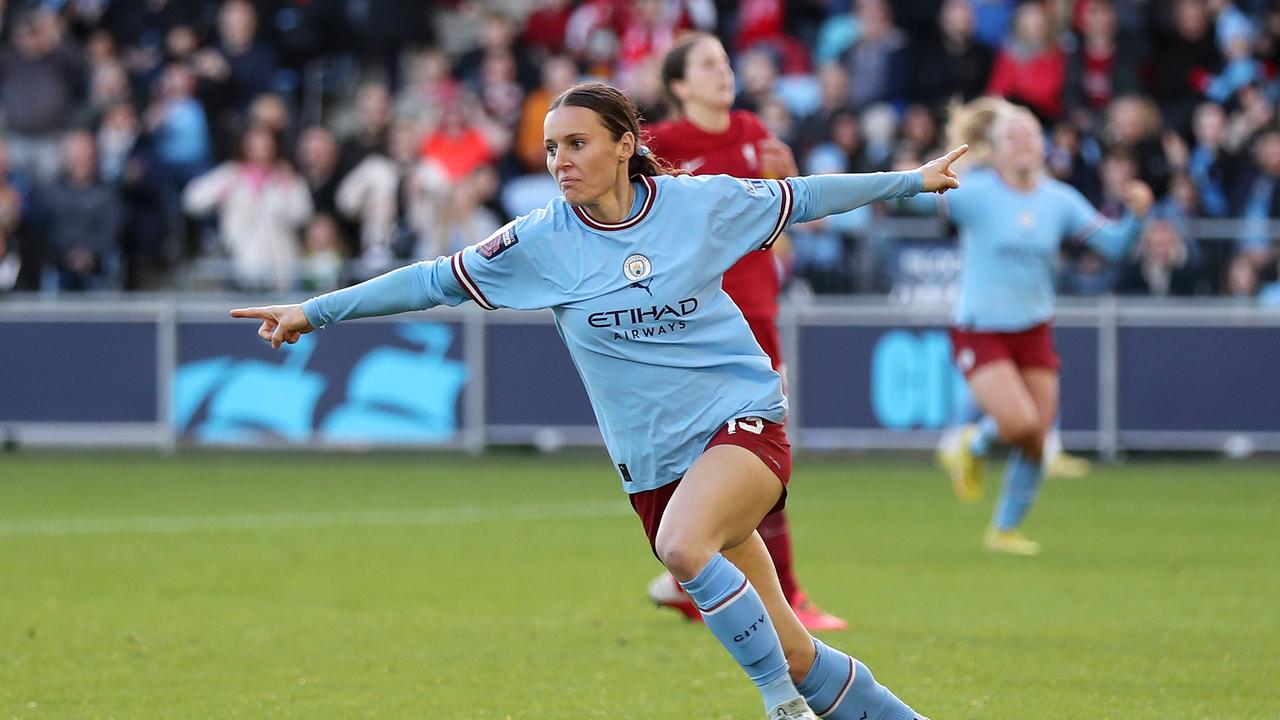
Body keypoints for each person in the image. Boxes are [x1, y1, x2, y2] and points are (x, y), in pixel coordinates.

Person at [232, 81, 962, 720]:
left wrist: (912, 180)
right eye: (551, 149)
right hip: (654, 465)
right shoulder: (540, 242)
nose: (560, 162)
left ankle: (779, 706)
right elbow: (430, 281)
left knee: (684, 549)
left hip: (742, 421)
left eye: (576, 143)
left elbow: (804, 198)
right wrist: (313, 310)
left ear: (625, 145)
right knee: (795, 647)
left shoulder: (696, 205)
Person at [642, 31, 846, 632]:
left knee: (760, 457)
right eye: (707, 65)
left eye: (725, 62)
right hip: (694, 322)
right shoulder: (664, 146)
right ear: (679, 86)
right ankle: (764, 593)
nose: (722, 72)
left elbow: (782, 216)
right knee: (711, 458)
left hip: (756, 314)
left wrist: (789, 186)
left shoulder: (755, 131)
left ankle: (705, 584)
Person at [926, 102, 1153, 555]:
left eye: (1031, 135)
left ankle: (1004, 532)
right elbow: (919, 197)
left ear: (1044, 146)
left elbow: (1113, 246)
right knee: (1019, 421)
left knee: (1036, 436)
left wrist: (1137, 217)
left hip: (1033, 328)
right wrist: (912, 179)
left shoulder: (1059, 200)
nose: (1025, 144)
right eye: (1014, 137)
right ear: (997, 149)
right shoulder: (976, 192)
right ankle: (971, 443)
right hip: (981, 327)